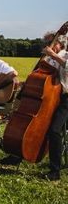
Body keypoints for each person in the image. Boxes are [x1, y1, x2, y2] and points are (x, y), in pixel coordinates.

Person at [40, 34, 68, 181]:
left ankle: (55, 171)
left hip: (66, 100)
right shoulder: (51, 57)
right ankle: (18, 155)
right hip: (53, 97)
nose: (48, 45)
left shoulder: (65, 55)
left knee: (54, 130)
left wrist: (52, 55)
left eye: (51, 43)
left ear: (60, 44)